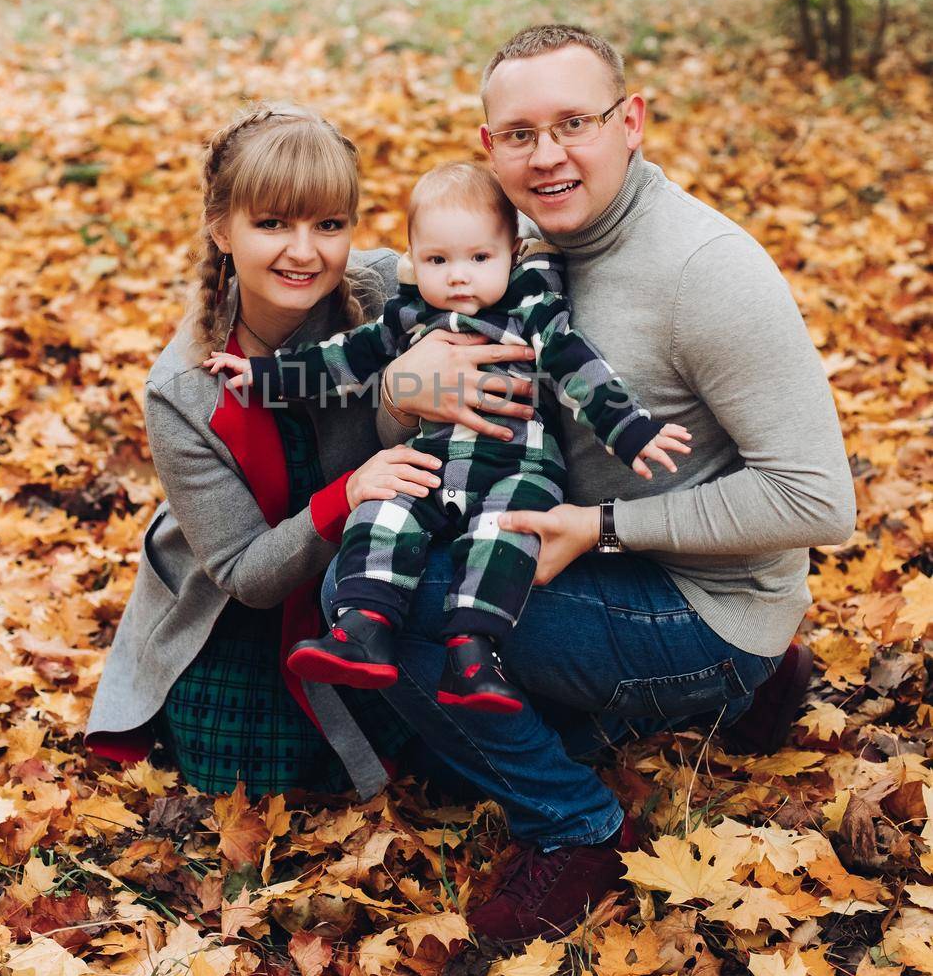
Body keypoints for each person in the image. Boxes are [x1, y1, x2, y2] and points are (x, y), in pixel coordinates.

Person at [346, 23, 856, 943]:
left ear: (633, 121)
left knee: (399, 606)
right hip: (560, 546)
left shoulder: (705, 272)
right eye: (519, 134)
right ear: (486, 145)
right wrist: (397, 386)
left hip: (699, 601)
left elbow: (818, 499)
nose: (548, 156)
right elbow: (377, 319)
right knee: (423, 721)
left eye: (574, 122)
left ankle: (576, 823)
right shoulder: (503, 245)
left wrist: (603, 526)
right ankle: (738, 697)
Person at [205, 161, 690, 714]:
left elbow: (581, 370)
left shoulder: (532, 313)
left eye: (479, 259)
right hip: (434, 461)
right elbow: (342, 360)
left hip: (518, 465)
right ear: (414, 259)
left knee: (504, 534)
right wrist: (263, 376)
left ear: (511, 251)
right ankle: (363, 627)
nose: (458, 276)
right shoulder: (408, 317)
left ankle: (474, 655)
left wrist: (632, 431)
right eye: (438, 261)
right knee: (383, 509)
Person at [85, 101, 445, 801]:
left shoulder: (379, 292)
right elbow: (245, 574)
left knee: (434, 756)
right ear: (221, 228)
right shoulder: (183, 388)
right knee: (262, 784)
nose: (304, 251)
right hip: (241, 613)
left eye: (328, 224)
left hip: (370, 575)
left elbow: (503, 241)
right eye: (272, 223)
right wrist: (350, 492)